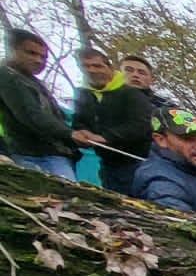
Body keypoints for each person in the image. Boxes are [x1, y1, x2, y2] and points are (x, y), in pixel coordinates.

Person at [0, 29, 88, 181]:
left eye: (43, 57)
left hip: (50, 153)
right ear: (12, 49)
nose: (39, 60)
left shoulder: (32, 81)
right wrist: (70, 134)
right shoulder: (7, 76)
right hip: (30, 154)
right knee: (61, 197)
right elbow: (30, 114)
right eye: (31, 53)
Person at [69, 48, 155, 195]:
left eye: (97, 66)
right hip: (109, 164)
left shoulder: (135, 95)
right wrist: (82, 132)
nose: (92, 70)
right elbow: (79, 120)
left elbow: (141, 125)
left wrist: (106, 137)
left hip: (141, 162)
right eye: (86, 66)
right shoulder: (85, 95)